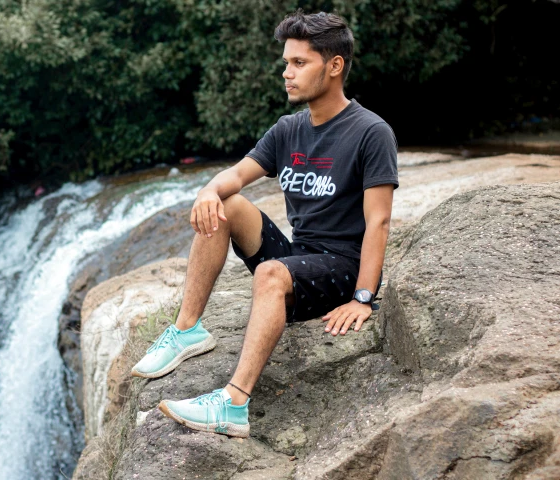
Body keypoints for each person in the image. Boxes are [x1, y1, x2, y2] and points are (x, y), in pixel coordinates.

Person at [130, 10, 398, 438]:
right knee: (228, 203)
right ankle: (186, 331)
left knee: (272, 274)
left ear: (334, 66)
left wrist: (363, 298)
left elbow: (379, 221)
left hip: (342, 268)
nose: (287, 73)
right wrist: (207, 192)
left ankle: (233, 404)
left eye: (299, 63)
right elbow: (234, 176)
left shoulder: (371, 132)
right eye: (286, 63)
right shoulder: (288, 129)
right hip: (300, 257)